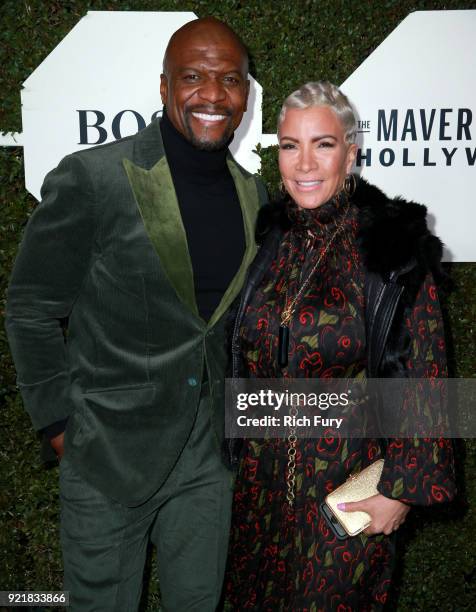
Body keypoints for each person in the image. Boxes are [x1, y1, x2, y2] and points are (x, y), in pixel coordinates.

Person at [5, 17, 267, 612]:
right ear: (163, 86)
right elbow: (30, 307)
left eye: (230, 79)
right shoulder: (96, 177)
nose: (213, 94)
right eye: (193, 76)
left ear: (247, 95)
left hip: (208, 463)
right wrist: (59, 427)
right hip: (108, 458)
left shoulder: (255, 195)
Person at [223, 81, 455, 610]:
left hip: (343, 497)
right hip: (257, 500)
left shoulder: (390, 243)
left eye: (323, 144)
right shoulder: (271, 238)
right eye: (289, 145)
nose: (304, 163)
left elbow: (427, 373)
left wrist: (399, 489)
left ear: (351, 152)